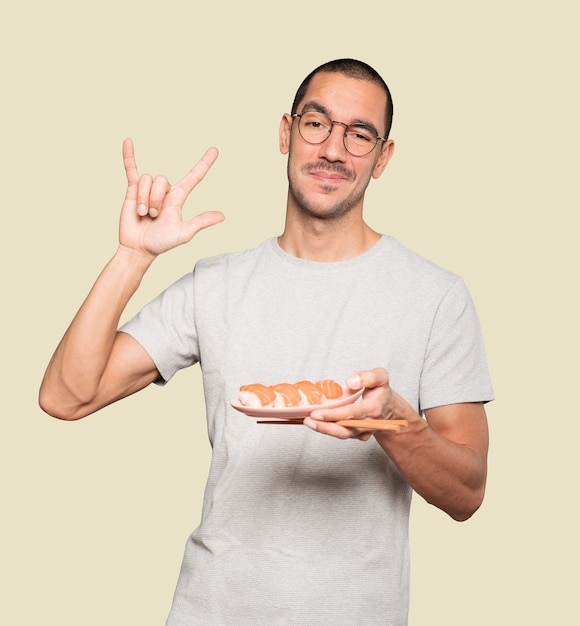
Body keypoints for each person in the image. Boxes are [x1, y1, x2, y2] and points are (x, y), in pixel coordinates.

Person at [39, 59, 493, 626]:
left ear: (384, 157)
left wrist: (396, 424)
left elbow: (467, 492)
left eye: (359, 135)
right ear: (286, 132)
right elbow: (66, 396)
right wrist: (134, 257)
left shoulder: (436, 296)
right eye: (316, 123)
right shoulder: (216, 285)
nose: (333, 149)